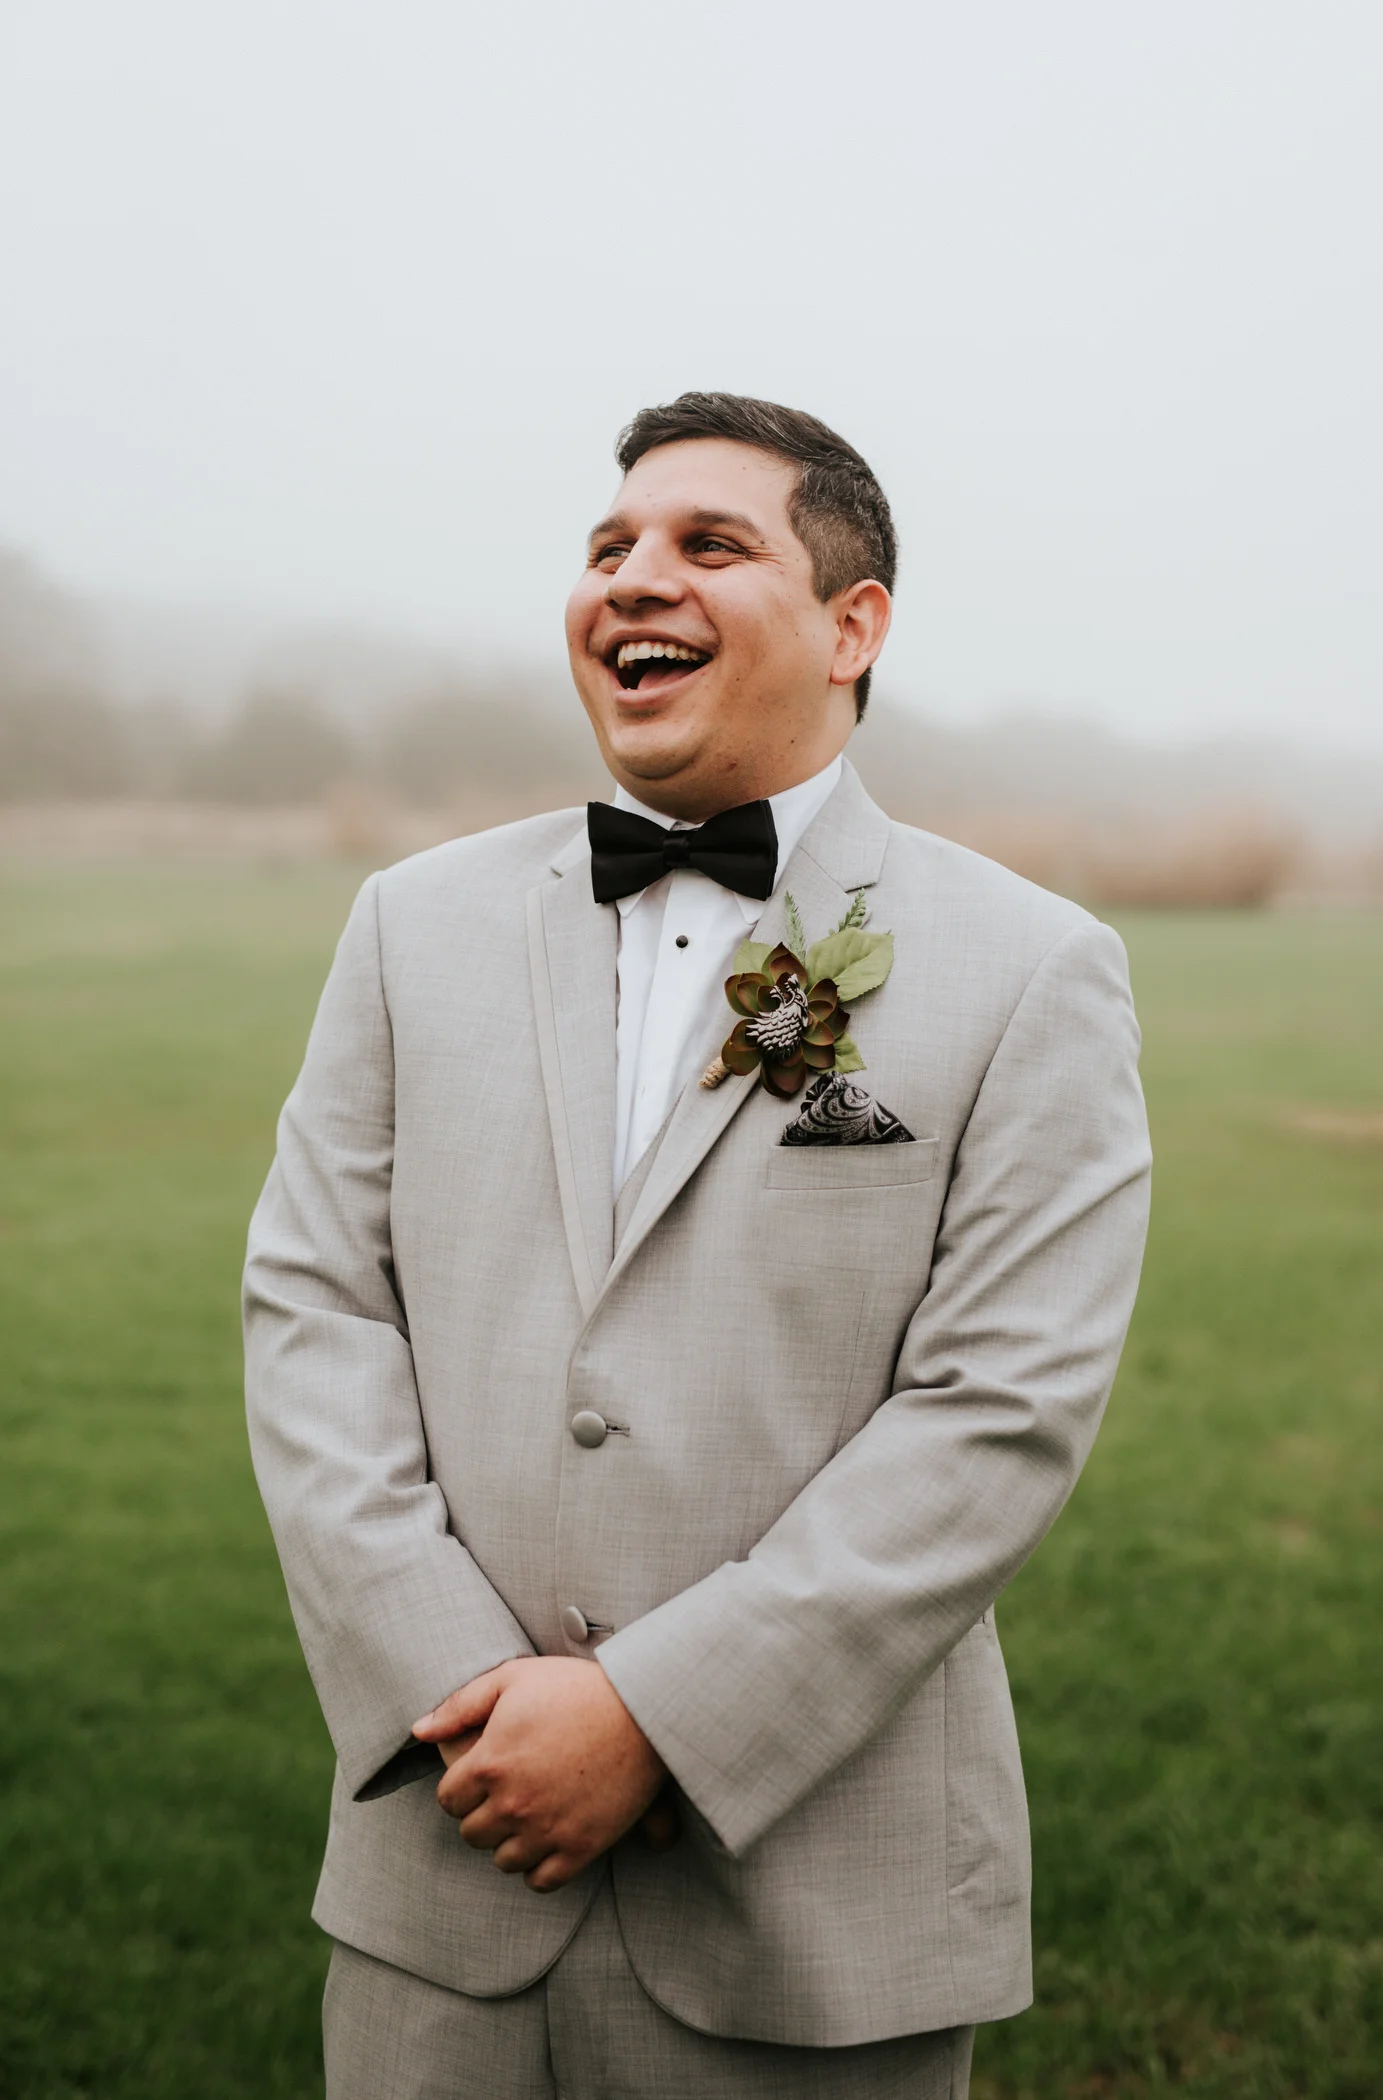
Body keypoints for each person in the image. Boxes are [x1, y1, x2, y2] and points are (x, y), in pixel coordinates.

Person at [244, 391, 1152, 2099]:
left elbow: (997, 1411)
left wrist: (654, 1717)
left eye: (708, 545)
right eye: (608, 549)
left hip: (816, 1923)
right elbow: (314, 1307)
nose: (633, 579)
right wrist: (457, 1686)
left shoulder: (1030, 967)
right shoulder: (407, 925)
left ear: (852, 624)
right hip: (447, 1885)